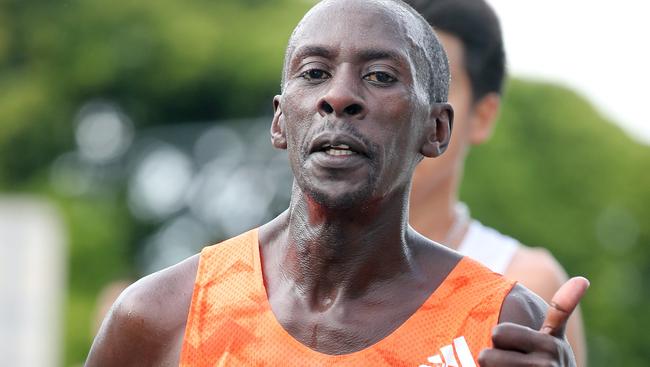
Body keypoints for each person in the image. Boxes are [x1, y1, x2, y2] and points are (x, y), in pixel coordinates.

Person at [85, 0, 588, 366]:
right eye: (314, 72)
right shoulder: (162, 316)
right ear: (281, 121)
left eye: (380, 76)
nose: (341, 96)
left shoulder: (502, 324)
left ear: (436, 130)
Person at [403, 0, 587, 365]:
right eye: (380, 76)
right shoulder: (264, 270)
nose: (398, 106)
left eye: (432, 84)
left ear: (482, 116)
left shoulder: (522, 285)